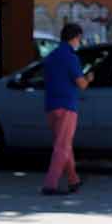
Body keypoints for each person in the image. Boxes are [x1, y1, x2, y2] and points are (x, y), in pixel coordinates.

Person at [40, 22, 93, 195]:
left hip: (51, 105)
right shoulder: (71, 57)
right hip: (67, 106)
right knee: (62, 146)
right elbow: (81, 84)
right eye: (79, 39)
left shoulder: (51, 56)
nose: (80, 42)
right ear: (75, 37)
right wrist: (89, 77)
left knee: (64, 144)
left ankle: (73, 180)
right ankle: (51, 183)